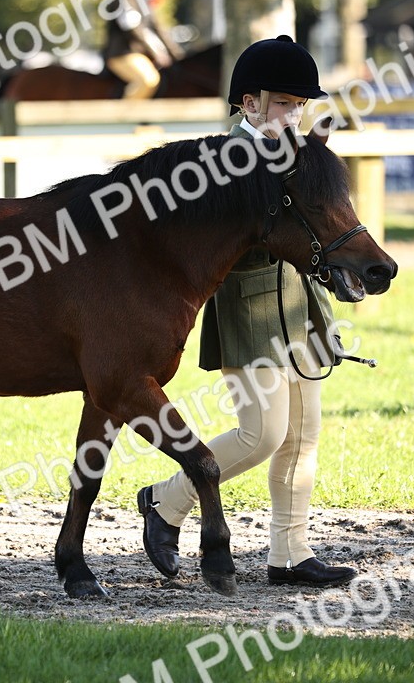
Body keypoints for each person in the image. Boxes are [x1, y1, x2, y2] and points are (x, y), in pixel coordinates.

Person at [136, 35, 358, 588]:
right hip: (248, 313)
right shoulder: (217, 163)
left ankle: (290, 553)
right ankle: (165, 502)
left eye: (298, 105)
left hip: (301, 306)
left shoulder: (299, 155)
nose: (293, 115)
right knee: (261, 434)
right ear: (248, 103)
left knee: (302, 438)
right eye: (283, 103)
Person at [103, 0, 184, 99]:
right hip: (123, 54)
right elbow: (132, 29)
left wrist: (177, 55)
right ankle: (124, 118)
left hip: (142, 55)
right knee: (148, 80)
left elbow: (159, 28)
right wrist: (156, 53)